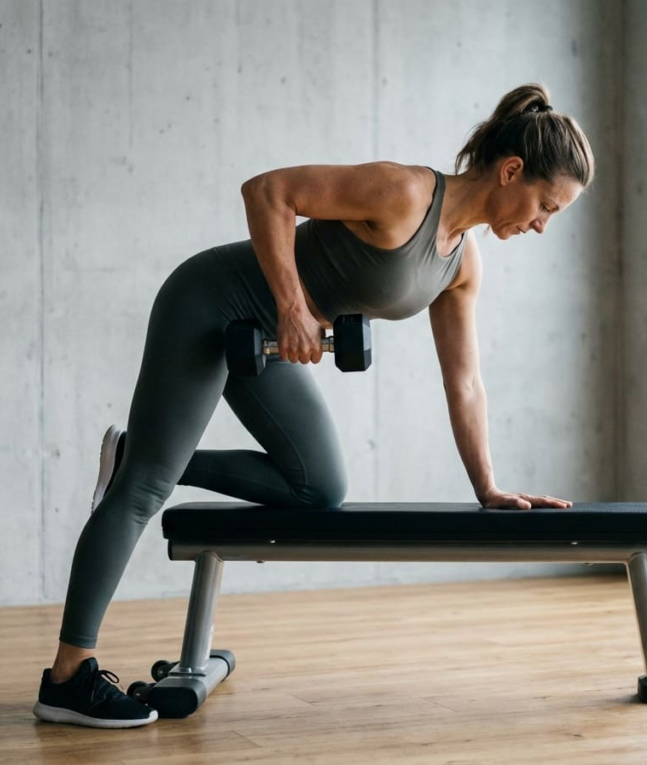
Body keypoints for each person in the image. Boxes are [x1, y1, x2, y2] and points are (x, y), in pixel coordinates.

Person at [32, 82, 595, 728]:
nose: (542, 224)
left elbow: (464, 381)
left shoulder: (462, 265)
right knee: (143, 490)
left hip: (263, 341)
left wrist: (488, 487)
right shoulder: (405, 192)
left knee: (318, 486)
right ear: (512, 171)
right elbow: (267, 192)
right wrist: (293, 307)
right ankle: (67, 677)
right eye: (545, 205)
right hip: (210, 303)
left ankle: (136, 454)